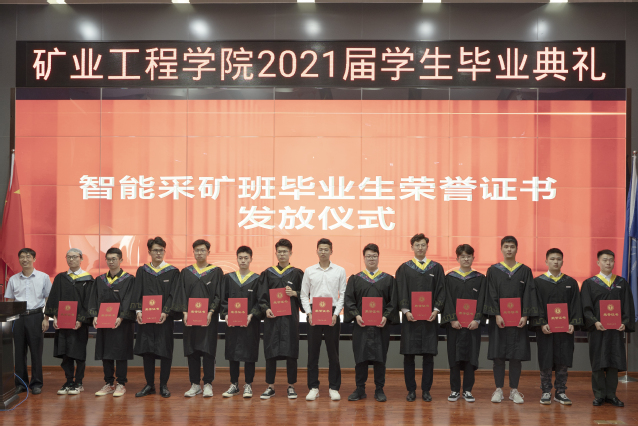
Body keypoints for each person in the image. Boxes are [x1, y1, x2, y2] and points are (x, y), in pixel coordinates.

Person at [484, 236, 538, 404]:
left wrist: (525, 315)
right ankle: (498, 389)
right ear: (501, 249)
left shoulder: (525, 271)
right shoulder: (493, 270)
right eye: (506, 246)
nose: (509, 249)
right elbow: (490, 293)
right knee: (498, 356)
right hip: (499, 321)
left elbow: (529, 294)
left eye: (512, 247)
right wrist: (496, 314)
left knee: (516, 356)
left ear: (516, 249)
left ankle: (514, 390)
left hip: (518, 321)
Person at [581, 249, 635, 407]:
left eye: (611, 260)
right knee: (598, 361)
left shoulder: (621, 283)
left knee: (614, 360)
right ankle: (599, 395)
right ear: (598, 262)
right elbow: (585, 307)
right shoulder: (590, 283)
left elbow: (628, 306)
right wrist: (594, 321)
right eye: (605, 260)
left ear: (614, 262)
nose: (608, 263)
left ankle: (611, 395)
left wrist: (625, 322)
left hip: (615, 330)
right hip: (597, 329)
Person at [345, 243, 398, 403]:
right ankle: (360, 389)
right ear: (364, 258)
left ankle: (379, 389)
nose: (371, 259)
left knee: (380, 358)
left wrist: (386, 316)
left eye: (374, 256)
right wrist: (356, 315)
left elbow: (393, 302)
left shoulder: (388, 279)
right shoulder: (355, 279)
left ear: (378, 257)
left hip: (381, 327)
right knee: (360, 358)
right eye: (368, 256)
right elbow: (349, 300)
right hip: (361, 326)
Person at [132, 237, 184, 398]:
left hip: (164, 319)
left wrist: (166, 311)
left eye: (161, 250)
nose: (159, 253)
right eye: (155, 250)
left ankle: (163, 385)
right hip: (146, 319)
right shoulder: (142, 271)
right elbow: (137, 292)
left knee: (165, 351)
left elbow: (173, 294)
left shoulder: (173, 272)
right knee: (148, 351)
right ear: (149, 252)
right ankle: (149, 385)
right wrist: (138, 311)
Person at [396, 234, 445, 402]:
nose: (420, 248)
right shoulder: (404, 268)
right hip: (410, 319)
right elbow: (401, 290)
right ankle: (411, 390)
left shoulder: (436, 268)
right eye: (417, 245)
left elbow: (441, 290)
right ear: (412, 247)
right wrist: (406, 310)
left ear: (427, 247)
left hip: (430, 319)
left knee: (428, 357)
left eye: (423, 245)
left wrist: (436, 310)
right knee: (409, 356)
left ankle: (426, 390)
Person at [530, 248, 583, 406]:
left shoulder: (570, 282)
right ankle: (546, 391)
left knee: (563, 359)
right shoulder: (538, 282)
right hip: (546, 329)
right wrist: (541, 322)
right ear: (546, 261)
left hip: (565, 330)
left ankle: (560, 392)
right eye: (552, 259)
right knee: (546, 359)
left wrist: (573, 322)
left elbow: (576, 305)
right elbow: (535, 304)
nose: (555, 261)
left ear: (562, 262)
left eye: (559, 259)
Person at [300, 238, 347, 401]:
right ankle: (313, 387)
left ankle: (334, 387)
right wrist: (308, 313)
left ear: (331, 251)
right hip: (314, 313)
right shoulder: (309, 271)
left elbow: (343, 295)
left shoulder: (339, 270)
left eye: (326, 249)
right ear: (317, 251)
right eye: (320, 249)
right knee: (313, 352)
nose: (323, 252)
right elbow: (303, 295)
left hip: (332, 312)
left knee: (333, 353)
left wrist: (336, 314)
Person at [175, 239, 223, 398]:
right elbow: (181, 293)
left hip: (209, 318)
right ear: (193, 252)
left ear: (208, 252)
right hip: (190, 318)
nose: (199, 253)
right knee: (192, 350)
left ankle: (208, 384)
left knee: (208, 350)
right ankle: (195, 384)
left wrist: (211, 311)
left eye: (203, 250)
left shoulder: (216, 272)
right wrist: (184, 312)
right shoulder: (186, 272)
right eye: (197, 250)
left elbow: (219, 295)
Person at [257, 238, 304, 400]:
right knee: (271, 352)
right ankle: (270, 386)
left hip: (290, 320)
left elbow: (306, 295)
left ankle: (291, 386)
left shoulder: (297, 273)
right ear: (276, 253)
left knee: (291, 353)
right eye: (279, 251)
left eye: (285, 251)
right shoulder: (267, 273)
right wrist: (266, 309)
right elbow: (261, 296)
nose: (282, 254)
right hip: (272, 320)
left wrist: (295, 293)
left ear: (290, 253)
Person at [44, 248, 94, 396]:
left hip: (79, 324)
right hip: (63, 323)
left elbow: (89, 302)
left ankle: (79, 382)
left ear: (81, 258)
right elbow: (54, 298)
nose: (71, 259)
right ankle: (68, 381)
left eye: (74, 257)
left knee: (78, 353)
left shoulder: (88, 279)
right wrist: (55, 317)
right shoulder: (60, 278)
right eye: (69, 257)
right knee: (65, 352)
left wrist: (81, 319)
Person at [440, 244, 486, 403]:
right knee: (454, 357)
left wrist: (477, 319)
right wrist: (452, 319)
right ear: (457, 258)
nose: (466, 259)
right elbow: (446, 300)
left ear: (473, 258)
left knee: (471, 358)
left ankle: (467, 390)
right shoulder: (450, 278)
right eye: (463, 257)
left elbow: (482, 300)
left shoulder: (480, 278)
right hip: (454, 326)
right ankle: (454, 390)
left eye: (469, 256)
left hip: (473, 326)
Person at [88, 248, 136, 397]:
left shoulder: (129, 279)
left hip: (122, 323)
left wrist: (121, 317)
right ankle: (109, 383)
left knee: (121, 353)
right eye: (108, 259)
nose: (111, 262)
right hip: (104, 322)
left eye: (114, 259)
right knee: (106, 352)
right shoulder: (100, 280)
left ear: (121, 260)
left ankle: (121, 384)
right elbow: (94, 299)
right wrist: (94, 315)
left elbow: (129, 300)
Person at [4, 248, 51, 394]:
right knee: (19, 352)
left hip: (36, 317)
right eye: (22, 257)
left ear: (34, 259)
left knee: (36, 352)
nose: (25, 259)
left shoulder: (43, 277)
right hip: (18, 318)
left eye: (28, 256)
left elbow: (48, 299)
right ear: (19, 259)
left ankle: (36, 384)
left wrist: (46, 318)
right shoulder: (13, 279)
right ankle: (21, 384)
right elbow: (10, 301)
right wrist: (8, 321)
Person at [221, 246, 262, 399]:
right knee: (233, 353)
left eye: (246, 258)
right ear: (237, 259)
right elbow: (223, 299)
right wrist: (225, 314)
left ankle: (248, 384)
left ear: (251, 259)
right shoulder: (228, 278)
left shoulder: (257, 279)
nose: (243, 260)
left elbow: (260, 301)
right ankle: (234, 384)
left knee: (249, 354)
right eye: (240, 258)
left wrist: (252, 314)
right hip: (232, 324)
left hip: (250, 324)